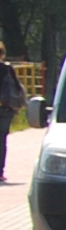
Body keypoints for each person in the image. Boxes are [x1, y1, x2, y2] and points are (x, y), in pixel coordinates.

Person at [0, 42, 24, 182]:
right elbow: (17, 88)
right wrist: (17, 106)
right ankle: (0, 172)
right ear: (2, 54)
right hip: (5, 108)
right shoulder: (8, 69)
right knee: (1, 140)